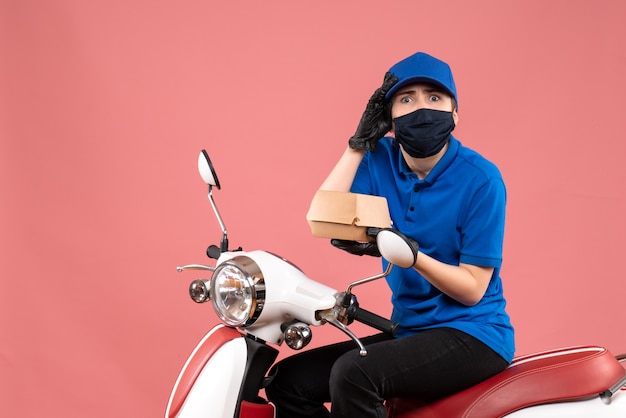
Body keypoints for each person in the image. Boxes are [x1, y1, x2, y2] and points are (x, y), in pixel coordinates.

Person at [265, 51, 515, 418]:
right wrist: (357, 144)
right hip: (410, 329)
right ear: (390, 116)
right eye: (406, 99)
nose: (421, 108)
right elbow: (319, 217)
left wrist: (414, 258)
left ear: (455, 112)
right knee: (289, 380)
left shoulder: (482, 180)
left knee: (353, 374)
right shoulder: (380, 156)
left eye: (434, 98)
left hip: (474, 335)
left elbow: (473, 288)